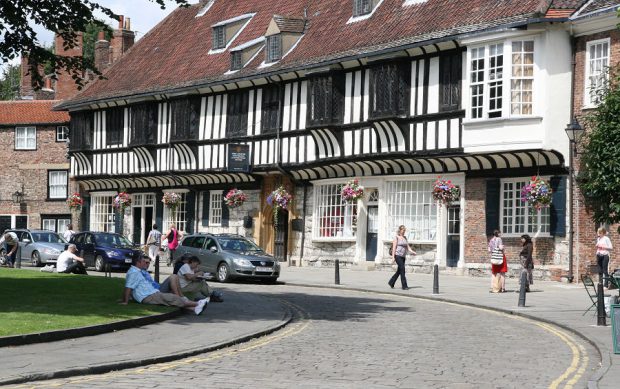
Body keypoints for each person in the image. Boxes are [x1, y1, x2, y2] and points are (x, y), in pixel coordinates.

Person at [121, 256, 208, 315]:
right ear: (138, 262)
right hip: (148, 295)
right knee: (172, 298)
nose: (145, 263)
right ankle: (198, 304)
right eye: (144, 261)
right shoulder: (134, 272)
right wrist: (125, 301)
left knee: (170, 300)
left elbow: (129, 286)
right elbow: (128, 287)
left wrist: (124, 299)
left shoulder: (137, 271)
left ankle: (194, 309)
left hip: (152, 293)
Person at [388, 225, 416, 290]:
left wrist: (413, 252)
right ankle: (404, 286)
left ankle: (391, 282)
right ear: (400, 230)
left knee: (399, 271)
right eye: (403, 230)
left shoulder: (405, 238)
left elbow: (408, 247)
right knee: (402, 269)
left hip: (403, 256)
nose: (404, 232)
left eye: (404, 231)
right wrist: (393, 258)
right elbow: (394, 248)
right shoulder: (396, 238)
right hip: (397, 256)